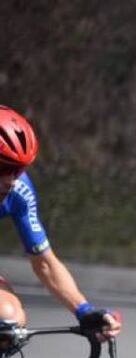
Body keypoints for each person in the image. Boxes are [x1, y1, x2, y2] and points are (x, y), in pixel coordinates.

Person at [0, 105, 121, 340]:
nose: (10, 181)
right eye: (3, 168)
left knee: (8, 320)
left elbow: (45, 264)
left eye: (17, 170)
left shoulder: (19, 192)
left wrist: (85, 312)